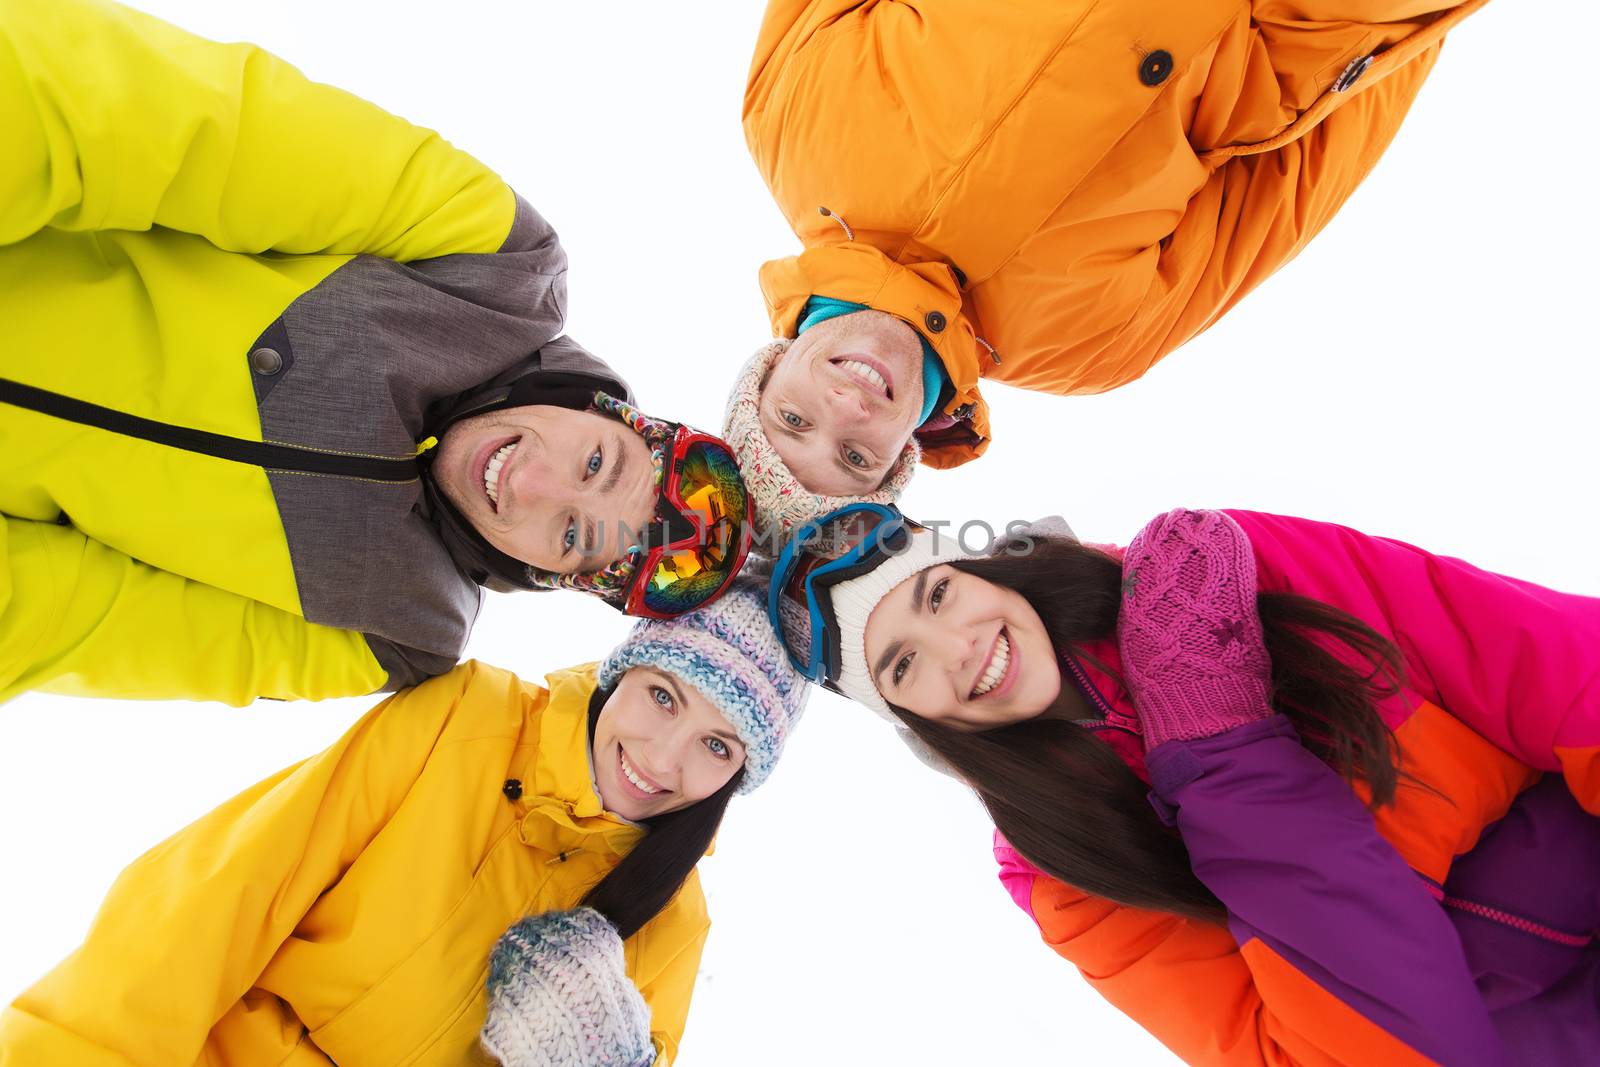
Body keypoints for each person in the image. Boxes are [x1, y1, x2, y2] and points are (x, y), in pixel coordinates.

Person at [0, 0, 750, 708]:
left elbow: (67, 620)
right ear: (598, 408)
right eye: (596, 463)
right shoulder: (488, 261)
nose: (531, 482)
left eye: (568, 535)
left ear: (549, 575)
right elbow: (154, 121)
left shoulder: (393, 629)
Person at [769, 506, 1600, 1063]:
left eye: (938, 593)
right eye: (903, 664)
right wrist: (1220, 745)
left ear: (988, 573)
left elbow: (1537, 658)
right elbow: (1371, 1051)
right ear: (911, 721)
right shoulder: (1067, 878)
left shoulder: (1208, 575)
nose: (958, 647)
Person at [725, 0, 1489, 547]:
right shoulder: (1088, 348)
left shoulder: (785, 122)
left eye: (795, 420)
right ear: (903, 455)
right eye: (856, 457)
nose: (844, 409)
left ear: (770, 368)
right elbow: (1289, 184)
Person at [0, 577, 806, 1066]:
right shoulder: (471, 716)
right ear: (622, 671)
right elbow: (226, 895)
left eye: (716, 744)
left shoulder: (672, 920)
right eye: (662, 696)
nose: (663, 761)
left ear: (741, 772)